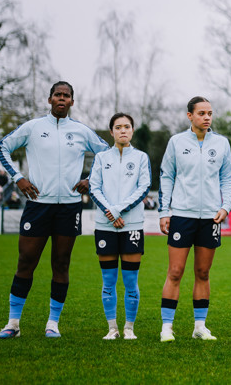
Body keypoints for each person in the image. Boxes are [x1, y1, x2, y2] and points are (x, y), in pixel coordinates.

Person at [0, 81, 109, 339]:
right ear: (50, 99)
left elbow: (109, 154)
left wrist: (92, 180)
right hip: (38, 205)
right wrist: (18, 177)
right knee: (26, 262)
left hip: (69, 207)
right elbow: (1, 148)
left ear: (72, 102)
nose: (62, 99)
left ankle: (52, 324)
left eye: (66, 96)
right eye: (57, 95)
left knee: (61, 263)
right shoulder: (33, 128)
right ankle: (13, 324)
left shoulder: (81, 131)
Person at [157, 96, 231, 342]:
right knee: (176, 271)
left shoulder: (221, 143)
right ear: (190, 116)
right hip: (182, 214)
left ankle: (199, 327)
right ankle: (167, 327)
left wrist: (226, 206)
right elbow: (166, 176)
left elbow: (227, 178)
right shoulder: (176, 142)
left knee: (203, 272)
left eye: (210, 113)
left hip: (210, 217)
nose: (207, 117)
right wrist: (164, 211)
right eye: (202, 113)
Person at [88, 113, 150, 340]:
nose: (123, 130)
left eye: (127, 127)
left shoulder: (142, 157)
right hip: (105, 226)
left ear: (132, 130)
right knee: (108, 280)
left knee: (131, 281)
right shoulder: (102, 158)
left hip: (132, 225)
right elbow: (94, 188)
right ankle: (112, 328)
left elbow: (143, 187)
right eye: (118, 127)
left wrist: (118, 210)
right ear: (111, 131)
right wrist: (110, 212)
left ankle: (129, 328)